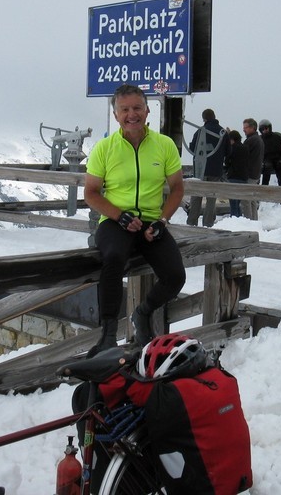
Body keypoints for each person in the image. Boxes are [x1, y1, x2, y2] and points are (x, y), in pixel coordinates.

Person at [83, 84, 186, 357]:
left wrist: (163, 221)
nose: (132, 114)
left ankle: (142, 313)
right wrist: (119, 215)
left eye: (137, 108)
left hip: (152, 222)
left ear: (148, 110)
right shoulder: (104, 148)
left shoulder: (164, 145)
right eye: (124, 109)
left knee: (176, 276)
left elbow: (177, 187)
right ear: (115, 114)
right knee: (114, 257)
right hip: (115, 222)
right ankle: (107, 334)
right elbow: (91, 194)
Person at [186, 109, 229, 228]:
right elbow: (228, 151)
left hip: (200, 170)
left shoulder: (200, 131)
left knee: (196, 196)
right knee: (211, 198)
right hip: (216, 170)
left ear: (204, 119)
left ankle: (192, 222)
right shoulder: (223, 132)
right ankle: (208, 223)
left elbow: (193, 148)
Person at [241, 118, 263, 220]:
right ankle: (254, 221)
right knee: (252, 199)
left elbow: (241, 153)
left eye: (246, 127)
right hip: (256, 173)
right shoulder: (258, 139)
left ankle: (248, 221)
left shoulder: (251, 140)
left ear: (252, 128)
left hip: (250, 174)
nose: (243, 130)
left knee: (246, 199)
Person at [223, 130, 249, 217]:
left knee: (233, 203)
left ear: (232, 139)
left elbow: (227, 162)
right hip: (244, 178)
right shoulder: (245, 148)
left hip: (233, 177)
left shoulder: (232, 148)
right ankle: (239, 220)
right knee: (238, 203)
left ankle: (234, 220)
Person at [259, 119, 281, 187]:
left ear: (270, 127)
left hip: (279, 160)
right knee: (265, 179)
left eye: (266, 128)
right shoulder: (260, 139)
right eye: (262, 129)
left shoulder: (278, 136)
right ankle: (264, 192)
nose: (265, 130)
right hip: (266, 161)